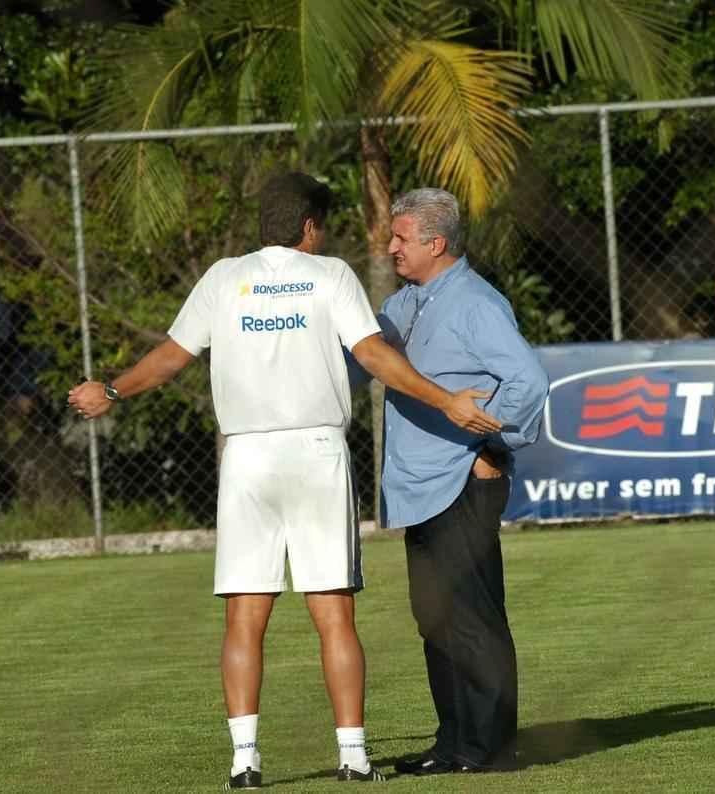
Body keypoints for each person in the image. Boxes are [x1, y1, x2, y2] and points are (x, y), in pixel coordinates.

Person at [67, 173, 501, 788]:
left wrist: (109, 390)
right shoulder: (330, 276)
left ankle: (245, 763)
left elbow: (171, 355)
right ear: (309, 228)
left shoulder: (223, 278)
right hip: (316, 451)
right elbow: (374, 357)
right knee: (334, 617)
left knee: (245, 618)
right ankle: (353, 757)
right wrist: (445, 400)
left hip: (245, 459)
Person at [373, 188, 549, 775]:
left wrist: (491, 444)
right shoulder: (404, 305)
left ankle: (492, 749)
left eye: (401, 238)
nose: (391, 246)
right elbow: (360, 355)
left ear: (435, 243)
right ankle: (453, 745)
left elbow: (528, 380)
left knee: (472, 619)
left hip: (462, 483)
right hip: (418, 486)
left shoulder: (476, 302)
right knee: (435, 618)